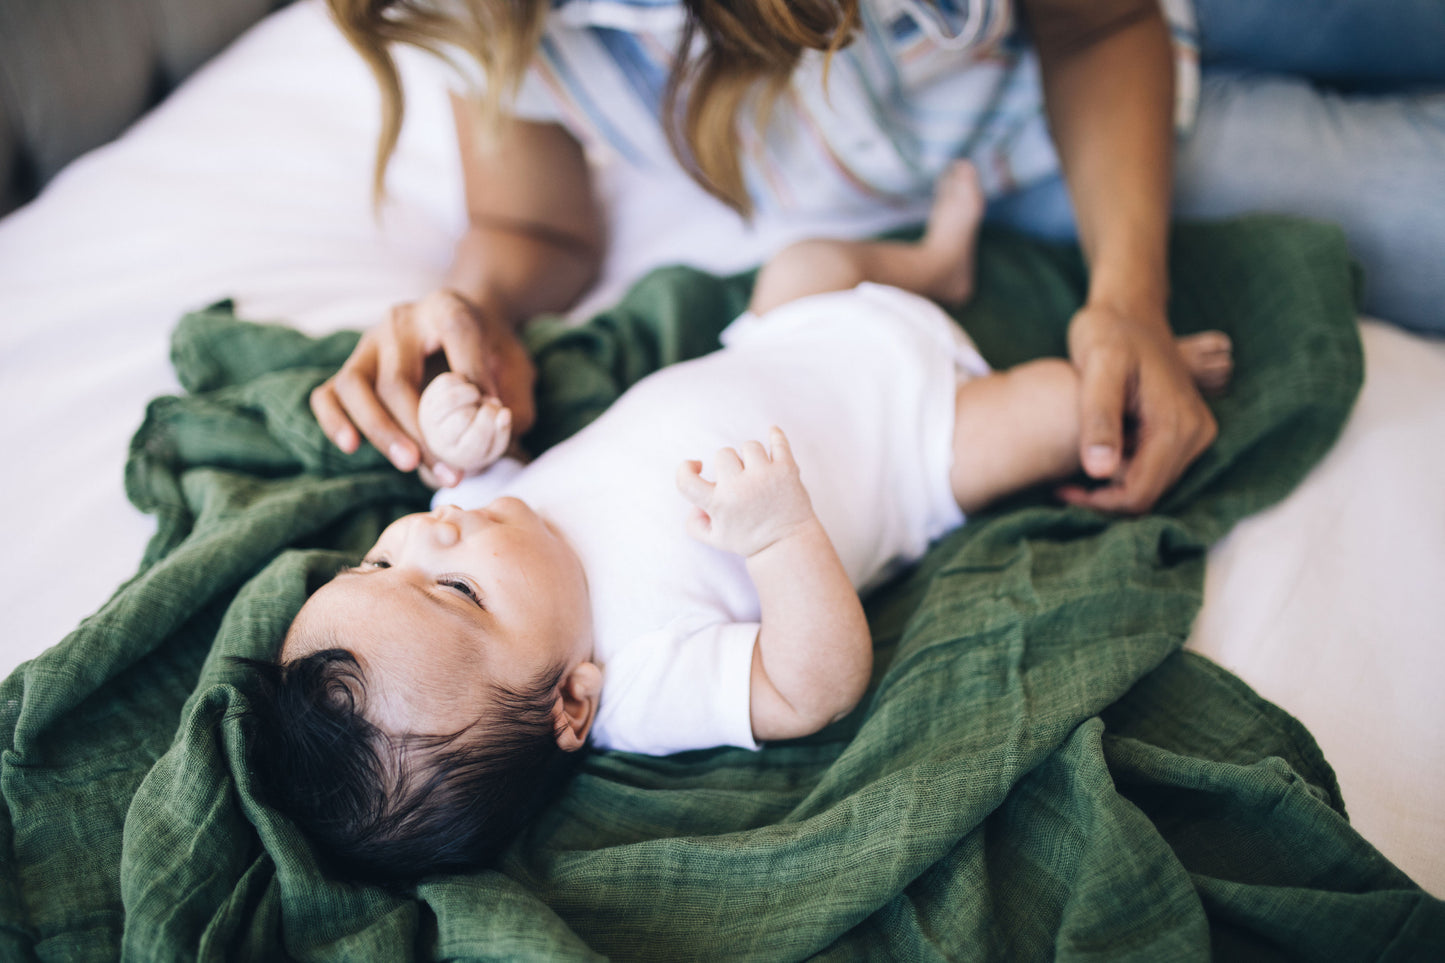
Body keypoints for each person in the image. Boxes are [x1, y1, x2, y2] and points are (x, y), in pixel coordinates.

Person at [243, 163, 1233, 882]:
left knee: (805, 259)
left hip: (788, 334)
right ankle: (1149, 377)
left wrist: (465, 429)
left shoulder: (481, 519)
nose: (432, 534)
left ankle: (935, 265)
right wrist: (775, 536)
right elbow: (812, 687)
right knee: (1063, 410)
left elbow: (479, 467)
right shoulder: (637, 679)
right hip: (915, 442)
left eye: (380, 558)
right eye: (454, 590)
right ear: (568, 706)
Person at [310, 0, 1443, 517]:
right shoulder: (477, 17)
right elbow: (541, 228)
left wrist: (1126, 296)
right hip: (1013, 150)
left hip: (1091, 49)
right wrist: (474, 304)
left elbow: (1098, 26)